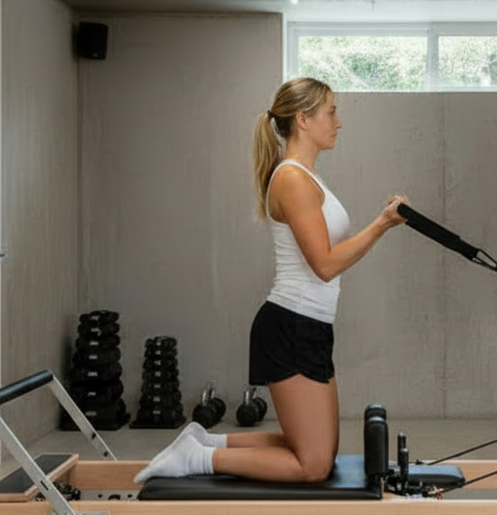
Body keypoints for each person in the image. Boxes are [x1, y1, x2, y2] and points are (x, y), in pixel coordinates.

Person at [134, 77, 407, 483]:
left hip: (309, 326)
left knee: (321, 453)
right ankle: (196, 459)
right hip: (290, 326)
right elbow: (325, 265)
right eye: (331, 112)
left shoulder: (306, 177)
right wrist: (382, 224)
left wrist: (381, 224)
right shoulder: (292, 179)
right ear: (303, 118)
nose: (338, 122)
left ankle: (206, 444)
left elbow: (328, 255)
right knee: (312, 465)